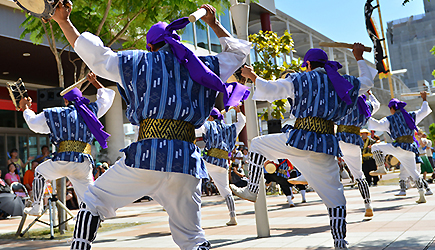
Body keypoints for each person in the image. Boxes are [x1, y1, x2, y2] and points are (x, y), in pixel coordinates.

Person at [52, 3, 250, 250]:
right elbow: (238, 54)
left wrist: (63, 21)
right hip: (185, 161)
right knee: (192, 239)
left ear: (151, 46)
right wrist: (214, 23)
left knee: (93, 200)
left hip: (146, 157)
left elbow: (98, 57)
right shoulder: (201, 65)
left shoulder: (137, 62)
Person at [231, 44, 375, 250]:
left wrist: (253, 76)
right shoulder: (343, 82)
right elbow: (368, 82)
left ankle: (252, 189)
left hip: (299, 140)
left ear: (307, 64)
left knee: (257, 144)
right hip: (325, 145)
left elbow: (272, 90)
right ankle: (340, 242)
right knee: (336, 200)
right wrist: (358, 57)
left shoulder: (300, 78)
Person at [19, 71, 115, 216]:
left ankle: (36, 207)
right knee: (88, 198)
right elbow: (106, 98)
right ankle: (95, 215)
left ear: (65, 101)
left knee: (39, 172)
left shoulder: (55, 113)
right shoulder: (90, 111)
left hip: (63, 160)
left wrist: (26, 108)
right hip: (83, 162)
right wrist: (94, 81)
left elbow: (34, 124)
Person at [368, 92, 432, 203]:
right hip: (410, 149)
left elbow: (377, 124)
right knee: (414, 173)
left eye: (390, 109)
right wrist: (424, 99)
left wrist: (365, 115)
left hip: (398, 147)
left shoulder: (390, 119)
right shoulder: (411, 116)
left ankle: (381, 167)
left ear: (392, 108)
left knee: (375, 147)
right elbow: (424, 111)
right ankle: (422, 195)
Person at [195, 106, 246, 226]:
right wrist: (238, 111)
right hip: (223, 163)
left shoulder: (208, 125)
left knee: (194, 186)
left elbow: (195, 129)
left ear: (211, 117)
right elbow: (242, 122)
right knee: (226, 191)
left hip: (209, 161)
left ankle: (194, 219)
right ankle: (233, 217)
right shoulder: (230, 128)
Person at [335, 90, 380, 218]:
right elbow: (376, 105)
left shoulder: (339, 103)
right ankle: (368, 204)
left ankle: (307, 175)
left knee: (327, 167)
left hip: (339, 140)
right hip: (354, 141)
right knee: (360, 176)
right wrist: (370, 94)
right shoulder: (363, 105)